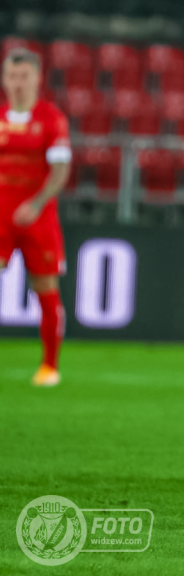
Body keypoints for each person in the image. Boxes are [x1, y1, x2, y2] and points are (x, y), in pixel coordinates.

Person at [0, 48, 72, 387]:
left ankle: (49, 366)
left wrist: (38, 203)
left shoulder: (51, 118)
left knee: (45, 288)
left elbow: (60, 170)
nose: (18, 83)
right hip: (1, 212)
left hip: (38, 214)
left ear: (37, 78)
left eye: (24, 76)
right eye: (12, 76)